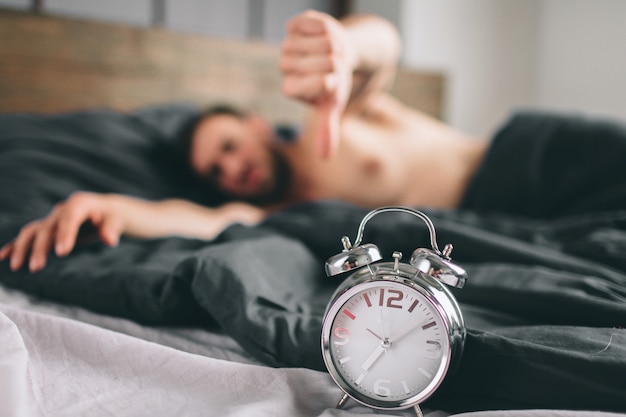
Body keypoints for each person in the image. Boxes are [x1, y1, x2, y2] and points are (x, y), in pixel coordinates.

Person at [2, 10, 625, 273]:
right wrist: (106, 206)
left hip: (535, 159)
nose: (230, 167)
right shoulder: (282, 216)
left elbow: (381, 51)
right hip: (515, 227)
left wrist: (344, 45)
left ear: (252, 122)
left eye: (226, 146)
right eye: (215, 170)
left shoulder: (328, 112)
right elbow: (193, 219)